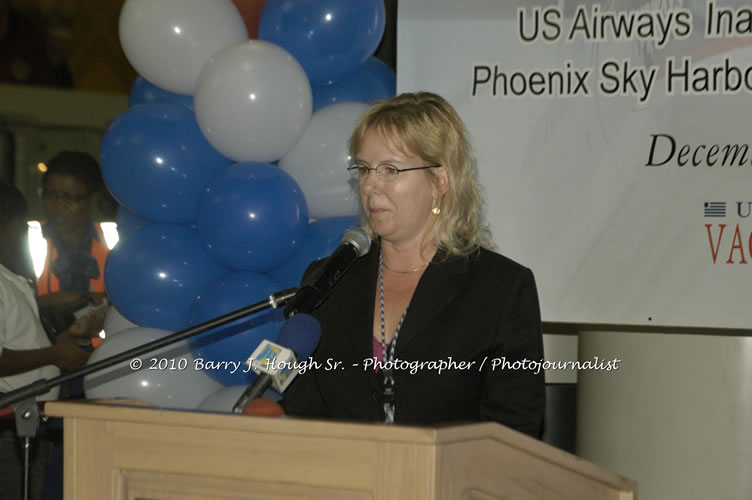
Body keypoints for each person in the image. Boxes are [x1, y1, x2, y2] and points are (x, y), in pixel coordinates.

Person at [281, 92, 545, 438]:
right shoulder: (326, 281)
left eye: (390, 170)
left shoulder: (500, 289)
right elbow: (301, 414)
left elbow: (515, 434)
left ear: (439, 181)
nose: (369, 185)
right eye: (363, 169)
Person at [0, 181, 96, 500]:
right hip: (8, 429)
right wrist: (54, 355)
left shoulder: (7, 278)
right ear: (8, 226)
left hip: (26, 422)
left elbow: (19, 334)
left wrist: (60, 340)